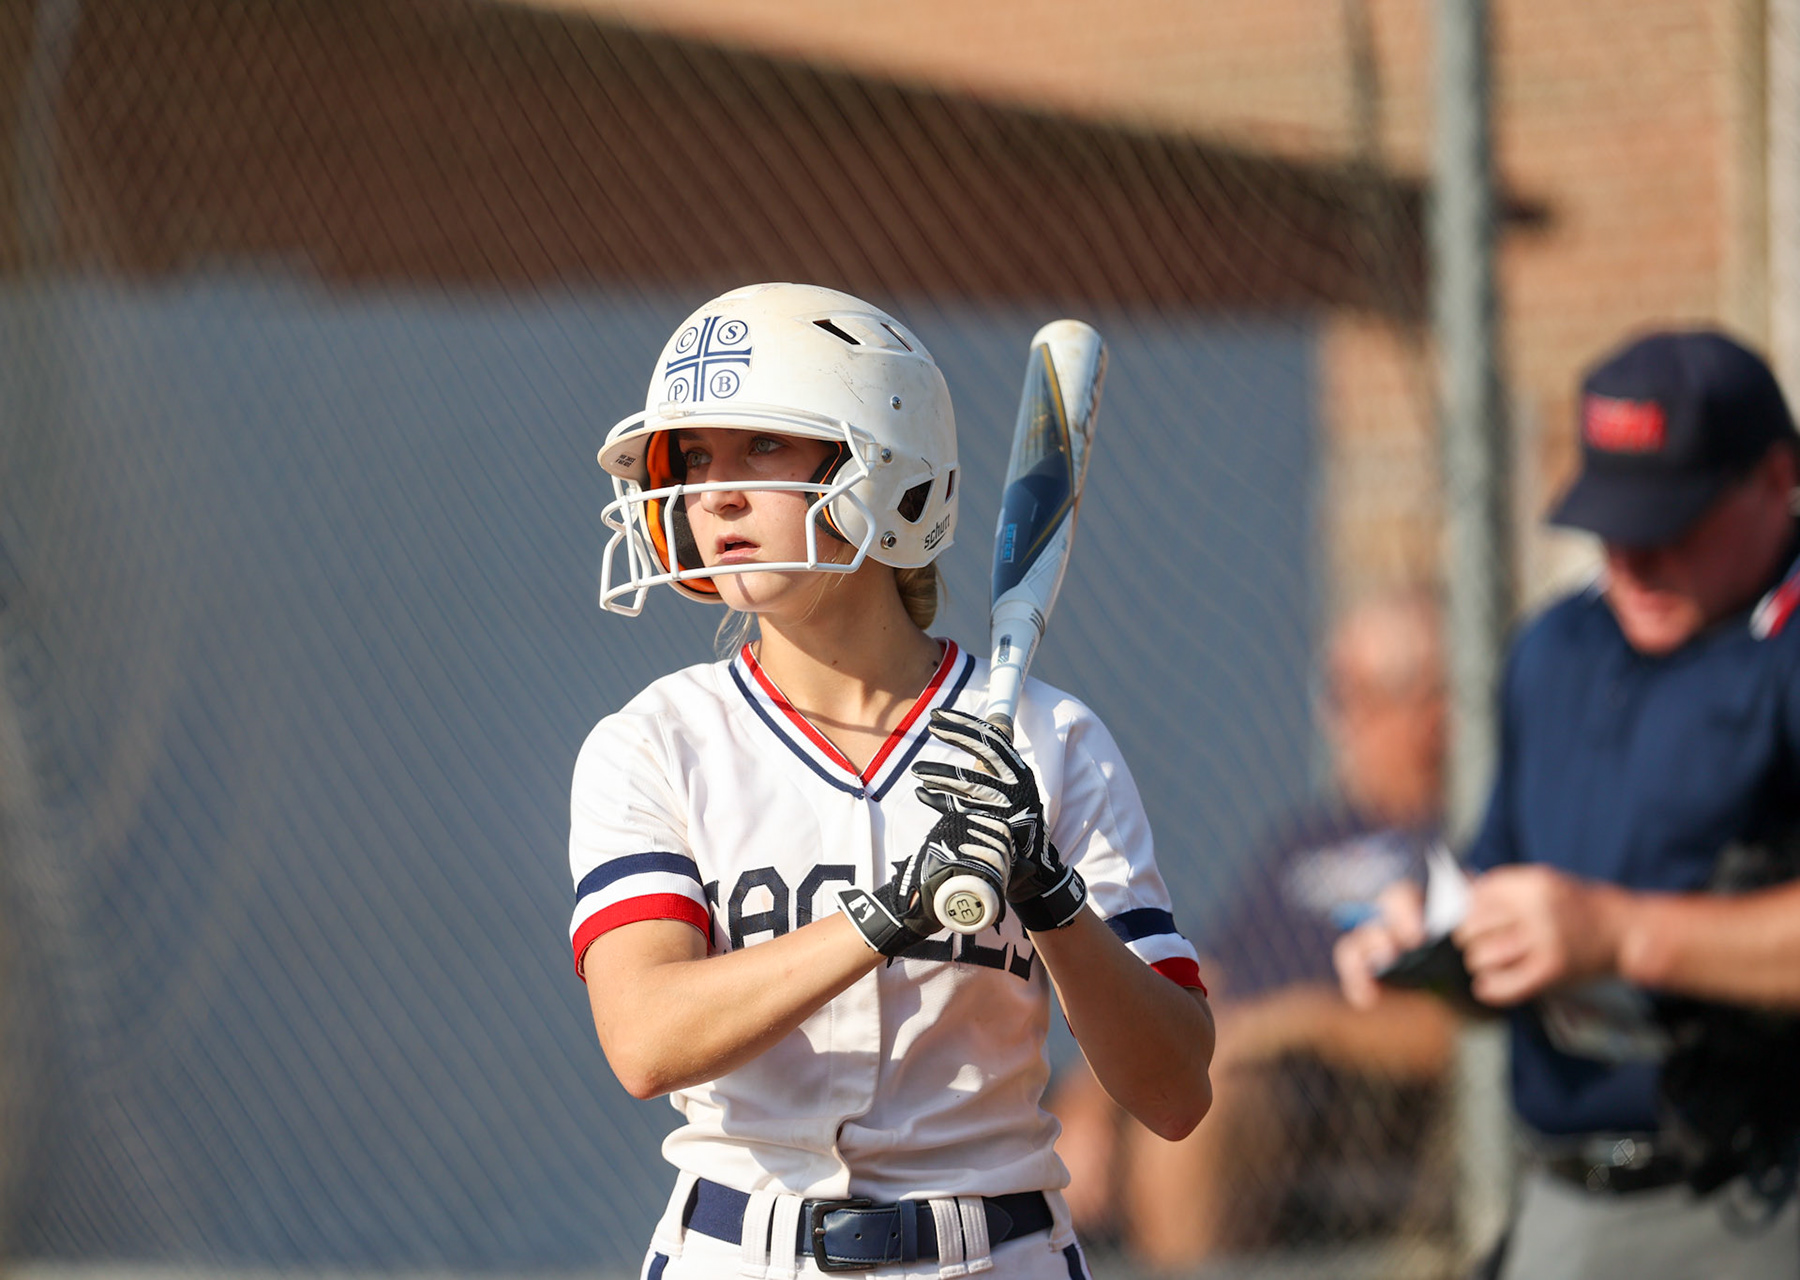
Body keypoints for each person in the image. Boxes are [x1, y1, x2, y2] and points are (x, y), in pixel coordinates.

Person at [568, 282, 1215, 1279]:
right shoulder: (659, 738)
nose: (715, 492)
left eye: (765, 448)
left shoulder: (1049, 740)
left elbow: (1174, 1090)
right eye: (696, 459)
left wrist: (1048, 893)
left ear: (887, 465)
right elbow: (645, 1037)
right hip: (740, 1250)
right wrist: (885, 914)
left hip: (995, 1251)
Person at [1334, 329, 1800, 1280]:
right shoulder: (1560, 648)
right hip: (1564, 1202)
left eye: (1676, 523)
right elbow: (1501, 871)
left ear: (1776, 480)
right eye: (1616, 526)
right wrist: (1436, 937)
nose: (1635, 561)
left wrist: (1623, 935)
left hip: (1760, 1197)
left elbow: (1604, 932)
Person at [1050, 592, 1457, 1267]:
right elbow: (1210, 972)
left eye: (1365, 693)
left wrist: (1291, 1024)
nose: (1338, 716)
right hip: (1226, 1050)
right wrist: (1091, 1098)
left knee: (1201, 1118)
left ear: (1433, 710)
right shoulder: (1306, 840)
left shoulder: (1456, 839)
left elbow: (1447, 1033)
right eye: (1335, 691)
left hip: (1337, 1100)